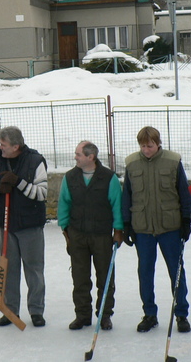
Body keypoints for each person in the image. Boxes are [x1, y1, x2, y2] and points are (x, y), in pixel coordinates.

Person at [121, 126, 191, 333]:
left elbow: (184, 192)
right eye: (143, 146)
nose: (146, 150)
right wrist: (127, 224)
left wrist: (186, 219)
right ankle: (149, 314)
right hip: (143, 228)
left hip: (170, 227)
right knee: (145, 272)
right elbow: (127, 195)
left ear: (158, 143)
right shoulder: (131, 163)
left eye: (150, 146)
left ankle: (181, 314)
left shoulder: (173, 161)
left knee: (176, 271)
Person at [0, 126, 48, 327]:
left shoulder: (35, 161)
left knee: (34, 270)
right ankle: (10, 311)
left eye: (4, 144)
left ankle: (36, 311)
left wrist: (19, 182)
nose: (0, 147)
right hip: (6, 225)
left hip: (30, 225)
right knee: (9, 269)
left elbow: (42, 193)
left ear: (16, 146)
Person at [57, 141, 123, 331]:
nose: (75, 157)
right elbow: (64, 204)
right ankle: (82, 315)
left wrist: (118, 230)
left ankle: (104, 315)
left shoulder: (108, 178)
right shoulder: (70, 177)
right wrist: (65, 230)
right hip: (77, 235)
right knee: (80, 278)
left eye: (78, 154)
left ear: (90, 157)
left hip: (102, 235)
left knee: (105, 277)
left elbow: (117, 205)